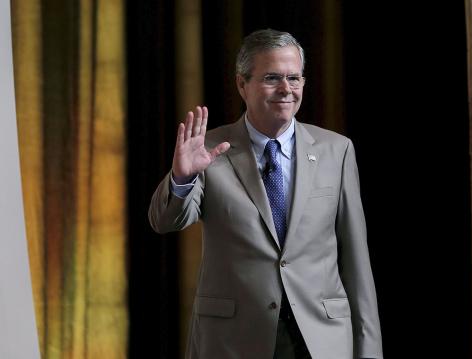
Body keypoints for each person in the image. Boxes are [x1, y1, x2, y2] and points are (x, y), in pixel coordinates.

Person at [149, 28, 383, 359]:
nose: (286, 89)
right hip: (233, 341)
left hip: (320, 340)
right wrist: (182, 176)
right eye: (272, 78)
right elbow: (165, 221)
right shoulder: (210, 149)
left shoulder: (337, 150)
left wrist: (369, 351)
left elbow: (356, 262)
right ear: (242, 84)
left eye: (294, 78)